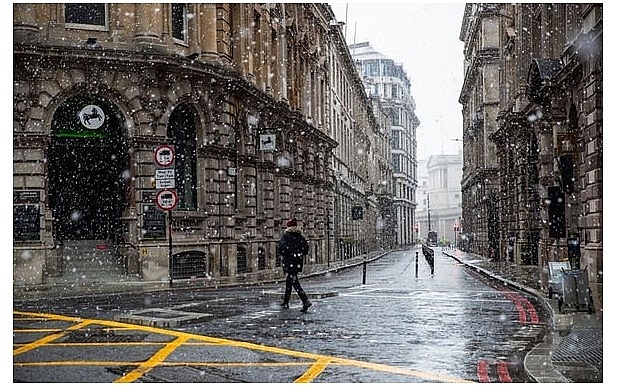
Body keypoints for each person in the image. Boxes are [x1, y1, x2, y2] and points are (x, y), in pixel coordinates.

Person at [278, 217, 312, 312]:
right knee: (289, 281)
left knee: (294, 282)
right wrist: (299, 254)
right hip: (297, 262)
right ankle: (285, 302)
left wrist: (288, 254)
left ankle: (305, 301)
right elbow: (306, 248)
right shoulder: (300, 236)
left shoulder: (286, 236)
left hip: (289, 262)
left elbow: (282, 248)